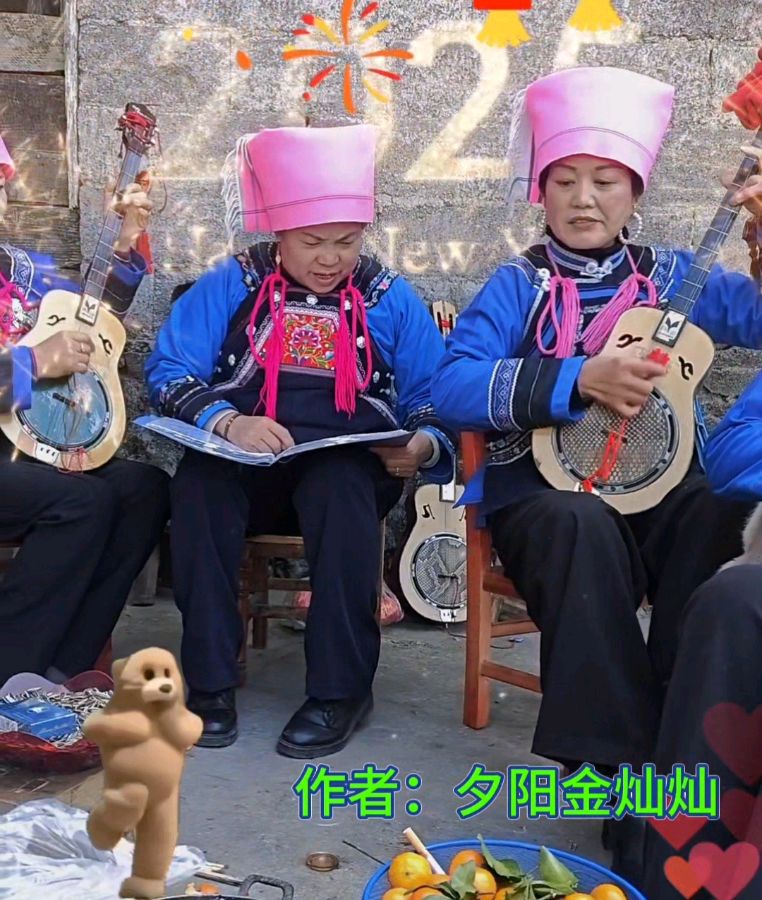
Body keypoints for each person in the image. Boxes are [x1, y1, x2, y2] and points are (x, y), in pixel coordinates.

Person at [430, 65, 762, 876]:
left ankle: (684, 734)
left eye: (605, 181)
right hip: (544, 496)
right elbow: (451, 385)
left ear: (633, 193)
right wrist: (577, 378)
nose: (584, 198)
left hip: (656, 487)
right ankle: (618, 772)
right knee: (579, 525)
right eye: (565, 181)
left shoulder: (673, 277)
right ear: (541, 193)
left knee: (720, 512)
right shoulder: (519, 284)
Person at [146, 124, 456, 755]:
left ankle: (341, 692)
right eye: (312, 242)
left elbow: (436, 395)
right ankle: (208, 685)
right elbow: (169, 372)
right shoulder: (231, 284)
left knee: (338, 484)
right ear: (279, 232)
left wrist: (421, 445)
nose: (329, 258)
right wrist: (227, 423)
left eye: (346, 241)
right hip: (246, 463)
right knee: (200, 486)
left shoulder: (390, 298)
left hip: (346, 472)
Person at [0, 133, 170, 686]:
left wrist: (123, 240)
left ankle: (63, 669)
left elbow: (86, 315)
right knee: (79, 501)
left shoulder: (20, 270)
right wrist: (29, 364)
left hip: (22, 450)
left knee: (143, 489)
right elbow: (39, 356)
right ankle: (10, 673)